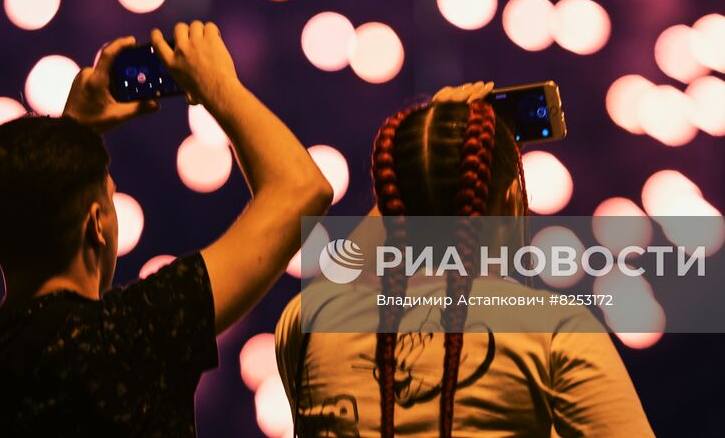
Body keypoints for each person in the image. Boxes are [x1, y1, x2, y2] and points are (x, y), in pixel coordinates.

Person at [0, 21, 333, 437]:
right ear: (97, 225)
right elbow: (302, 190)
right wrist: (218, 86)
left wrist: (65, 137)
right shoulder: (130, 338)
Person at [275, 82, 655, 438]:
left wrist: (420, 168)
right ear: (511, 199)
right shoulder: (553, 329)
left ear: (392, 206)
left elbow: (339, 274)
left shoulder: (310, 319)